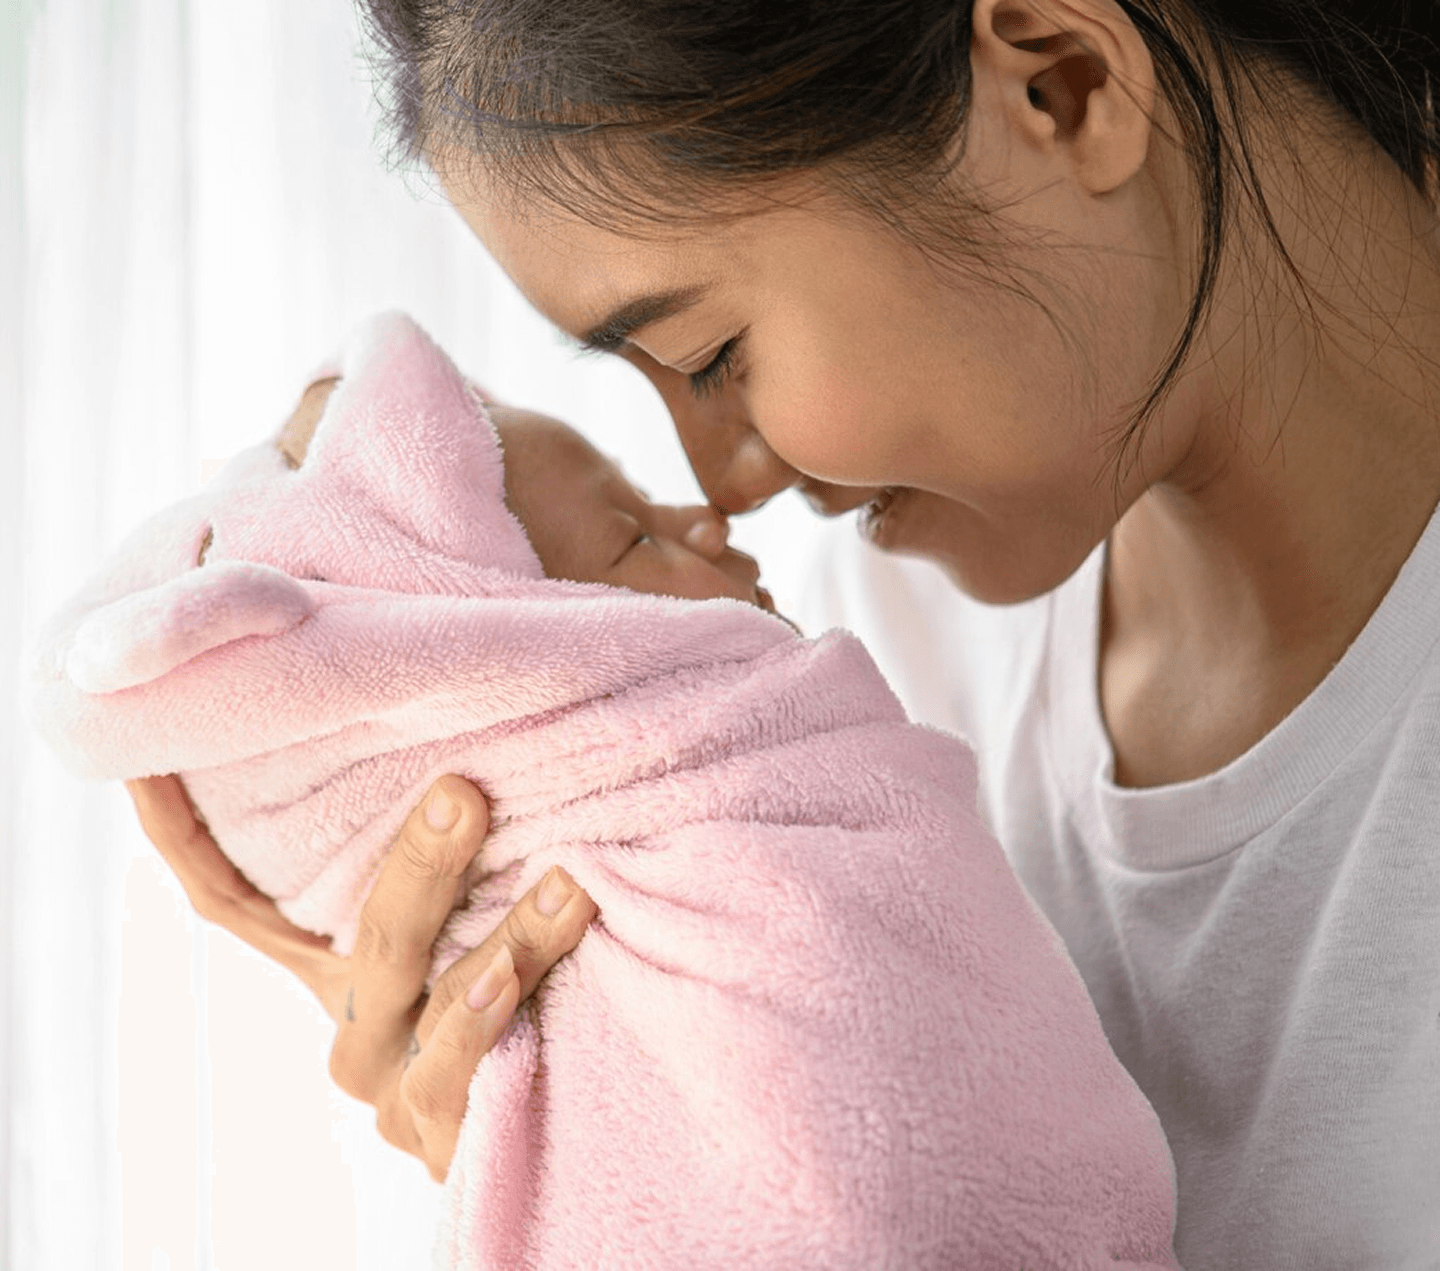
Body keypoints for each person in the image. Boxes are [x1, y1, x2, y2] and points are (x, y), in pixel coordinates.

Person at [127, 0, 1440, 1266]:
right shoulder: (844, 673)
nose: (724, 482)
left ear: (1061, 85)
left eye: (713, 354)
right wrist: (590, 1151)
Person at [41, 311, 1181, 1267]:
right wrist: (511, 1139)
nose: (712, 509)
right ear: (546, 691)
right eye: (635, 536)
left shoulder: (818, 735)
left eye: (721, 342)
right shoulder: (788, 713)